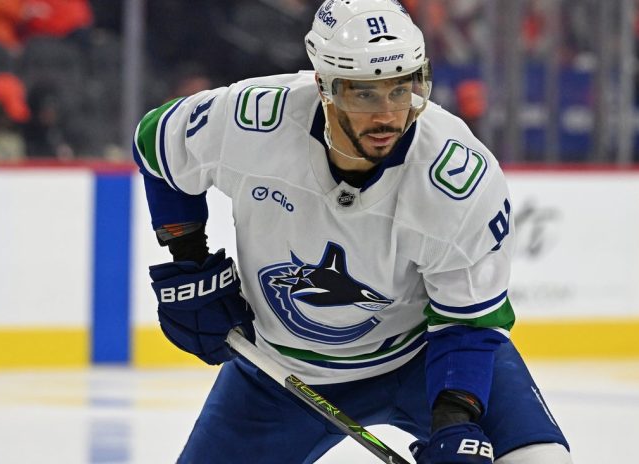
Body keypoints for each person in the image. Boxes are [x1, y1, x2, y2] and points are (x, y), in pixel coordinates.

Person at [133, 1, 572, 463]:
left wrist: (455, 421)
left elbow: (469, 323)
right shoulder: (254, 120)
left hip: (422, 358)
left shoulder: (458, 178)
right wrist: (189, 257)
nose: (388, 116)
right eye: (365, 94)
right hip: (278, 370)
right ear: (324, 85)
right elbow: (157, 142)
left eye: (401, 89)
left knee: (540, 460)